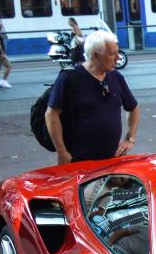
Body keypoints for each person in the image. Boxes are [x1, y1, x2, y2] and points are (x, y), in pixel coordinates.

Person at [45, 30, 141, 164]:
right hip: (78, 161)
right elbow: (51, 115)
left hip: (111, 160)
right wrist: (62, 153)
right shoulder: (70, 78)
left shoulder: (116, 77)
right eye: (112, 53)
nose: (118, 58)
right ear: (96, 56)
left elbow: (133, 108)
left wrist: (130, 138)